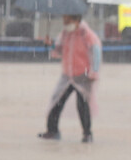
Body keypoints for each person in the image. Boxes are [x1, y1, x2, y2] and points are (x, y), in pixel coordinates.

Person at [38, 13, 101, 143]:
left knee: (82, 105)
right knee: (56, 101)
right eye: (64, 20)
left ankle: (87, 134)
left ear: (76, 20)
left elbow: (96, 51)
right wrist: (51, 45)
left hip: (83, 75)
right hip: (67, 75)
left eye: (68, 21)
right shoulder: (65, 34)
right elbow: (60, 50)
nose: (65, 23)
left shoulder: (87, 34)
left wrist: (94, 72)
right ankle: (52, 130)